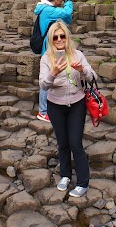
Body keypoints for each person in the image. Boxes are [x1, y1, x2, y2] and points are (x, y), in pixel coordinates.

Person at [39, 20, 95, 198]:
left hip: (77, 104)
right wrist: (53, 72)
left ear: (67, 37)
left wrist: (82, 70)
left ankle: (82, 182)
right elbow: (43, 85)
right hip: (55, 105)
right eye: (55, 37)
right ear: (51, 39)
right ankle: (65, 175)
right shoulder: (46, 59)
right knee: (62, 143)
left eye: (62, 36)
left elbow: (93, 76)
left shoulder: (77, 55)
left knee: (75, 143)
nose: (59, 39)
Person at [34, 0, 75, 122]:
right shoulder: (48, 10)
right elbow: (67, 14)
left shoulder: (49, 10)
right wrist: (70, 0)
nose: (63, 2)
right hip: (48, 50)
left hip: (51, 48)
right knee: (47, 79)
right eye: (62, 0)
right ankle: (43, 111)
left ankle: (51, 108)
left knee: (52, 78)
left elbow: (67, 19)